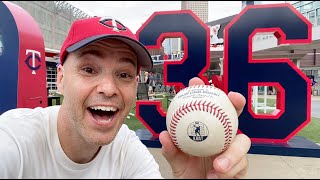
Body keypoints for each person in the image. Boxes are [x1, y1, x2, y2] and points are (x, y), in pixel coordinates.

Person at [0, 16, 251, 178]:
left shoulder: (127, 151)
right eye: (89, 69)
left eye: (124, 74)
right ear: (62, 79)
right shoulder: (14, 140)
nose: (109, 89)